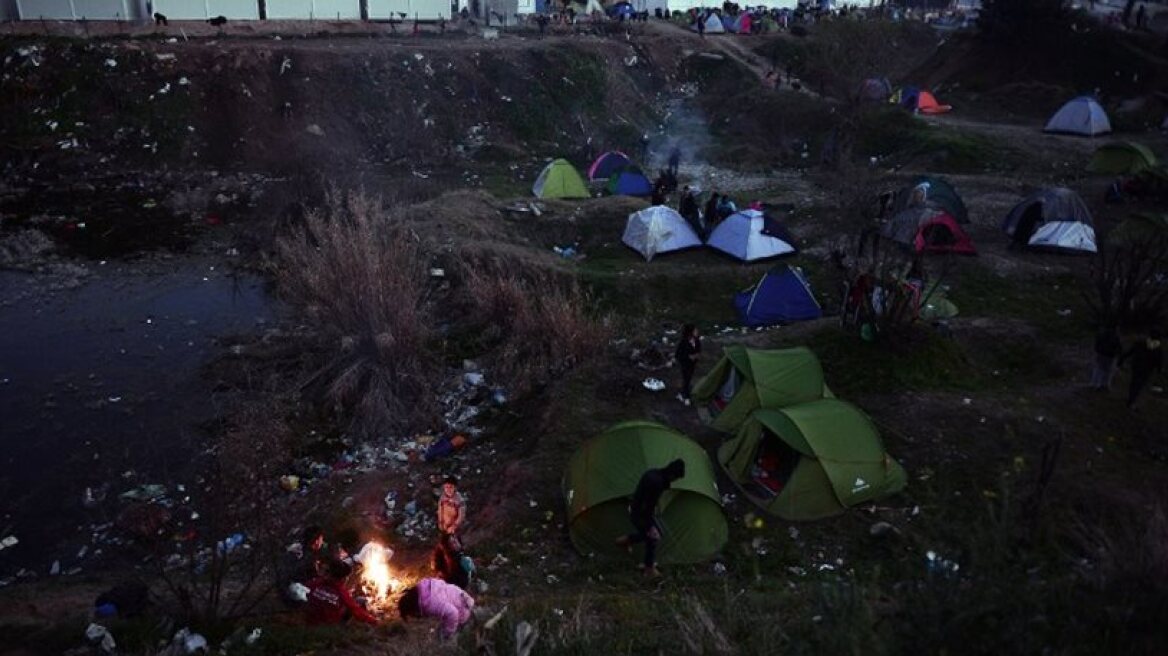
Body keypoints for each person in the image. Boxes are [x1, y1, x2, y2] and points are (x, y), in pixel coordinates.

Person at [614, 459, 687, 577]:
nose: (675, 481)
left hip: (637, 509)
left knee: (658, 533)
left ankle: (626, 540)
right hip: (638, 513)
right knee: (652, 538)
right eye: (676, 478)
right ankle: (649, 569)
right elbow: (647, 507)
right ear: (672, 475)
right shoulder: (657, 483)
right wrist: (649, 527)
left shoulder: (654, 473)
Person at [305, 559, 378, 626]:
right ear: (343, 578)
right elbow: (356, 610)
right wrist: (374, 621)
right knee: (360, 600)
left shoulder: (315, 583)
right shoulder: (341, 592)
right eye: (347, 576)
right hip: (330, 625)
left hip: (310, 622)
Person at [397, 578, 475, 639]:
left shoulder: (430, 604)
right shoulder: (424, 588)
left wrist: (447, 632)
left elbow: (453, 613)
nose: (414, 616)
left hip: (462, 610)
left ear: (413, 608)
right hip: (459, 596)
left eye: (412, 614)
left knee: (446, 634)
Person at [1119, 328, 1163, 408]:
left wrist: (1121, 359)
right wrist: (1159, 370)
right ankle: (1132, 400)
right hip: (1147, 370)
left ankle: (1130, 398)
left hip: (1136, 366)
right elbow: (1158, 361)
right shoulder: (1158, 348)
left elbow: (1130, 352)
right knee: (1139, 385)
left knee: (1134, 382)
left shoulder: (1141, 343)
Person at [675, 324, 701, 405]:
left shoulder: (697, 341)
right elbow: (678, 354)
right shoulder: (683, 342)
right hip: (685, 364)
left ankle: (682, 394)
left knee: (688, 379)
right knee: (686, 379)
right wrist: (688, 357)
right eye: (695, 330)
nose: (697, 332)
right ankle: (686, 397)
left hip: (692, 364)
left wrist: (696, 356)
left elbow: (698, 350)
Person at [1090, 324, 1122, 391]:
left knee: (1098, 369)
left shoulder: (1101, 334)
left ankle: (1095, 384)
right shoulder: (1115, 336)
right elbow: (1118, 347)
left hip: (1101, 353)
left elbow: (1096, 344)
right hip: (1110, 355)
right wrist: (1118, 354)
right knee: (1108, 371)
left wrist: (1096, 351)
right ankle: (1104, 385)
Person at [436, 475, 466, 543]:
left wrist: (454, 526)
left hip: (455, 527)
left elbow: (461, 516)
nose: (448, 489)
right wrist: (440, 522)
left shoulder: (459, 500)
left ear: (455, 488)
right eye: (446, 487)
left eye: (451, 487)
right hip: (444, 525)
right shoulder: (442, 498)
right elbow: (440, 511)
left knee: (455, 544)